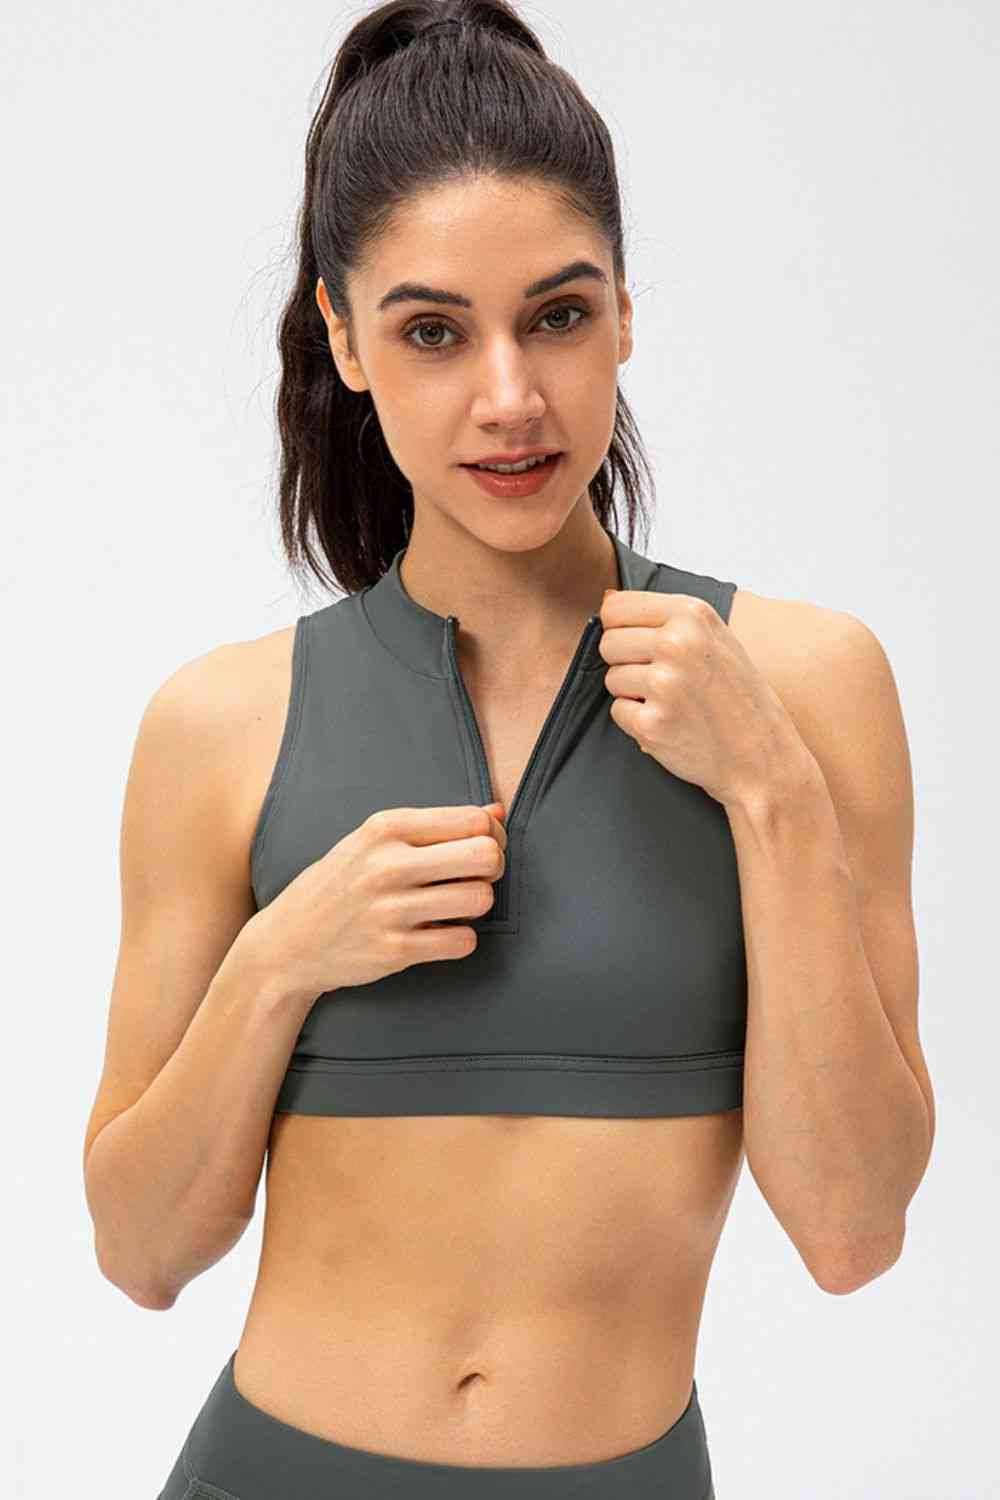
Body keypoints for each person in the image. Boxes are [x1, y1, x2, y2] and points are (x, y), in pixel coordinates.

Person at [83, 4, 936, 1497]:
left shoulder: (805, 687)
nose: (510, 400)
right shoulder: (219, 727)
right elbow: (141, 1252)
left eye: (557, 316)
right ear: (344, 338)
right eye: (432, 331)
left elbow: (852, 1232)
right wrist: (282, 962)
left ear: (625, 312)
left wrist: (772, 794)